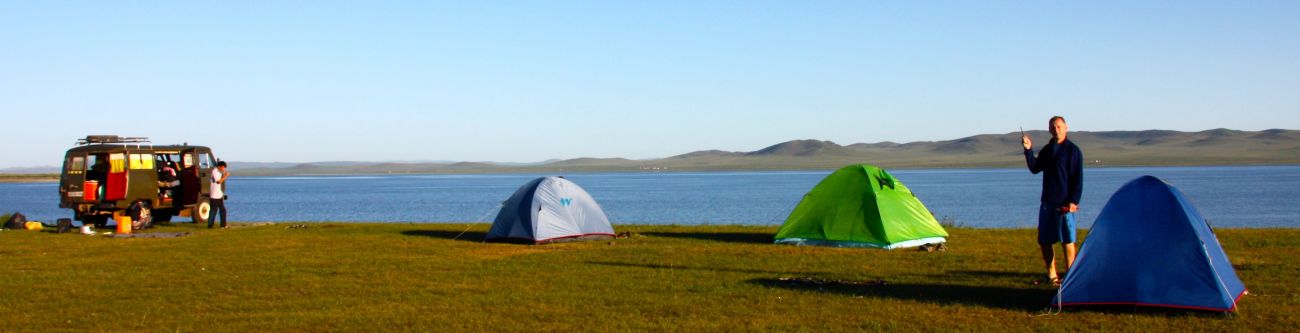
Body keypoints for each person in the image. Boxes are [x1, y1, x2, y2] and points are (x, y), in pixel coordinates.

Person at [1022, 116, 1083, 286]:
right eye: (1053, 126)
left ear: (1066, 128)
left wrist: (1073, 201)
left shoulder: (1073, 151)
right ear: (1049, 129)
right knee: (1045, 240)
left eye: (1059, 126)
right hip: (1048, 202)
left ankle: (1071, 275)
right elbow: (1035, 168)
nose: (1056, 129)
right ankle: (1052, 275)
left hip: (1065, 204)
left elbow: (1078, 179)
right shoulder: (1047, 151)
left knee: (1067, 240)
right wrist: (1028, 150)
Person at [209, 161, 230, 229]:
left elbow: (220, 180)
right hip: (214, 196)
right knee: (213, 211)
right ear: (219, 167)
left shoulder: (218, 172)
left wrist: (223, 175)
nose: (223, 169)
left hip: (219, 195)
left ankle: (223, 225)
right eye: (223, 167)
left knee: (222, 210)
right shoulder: (214, 172)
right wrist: (226, 176)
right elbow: (219, 182)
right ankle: (210, 226)